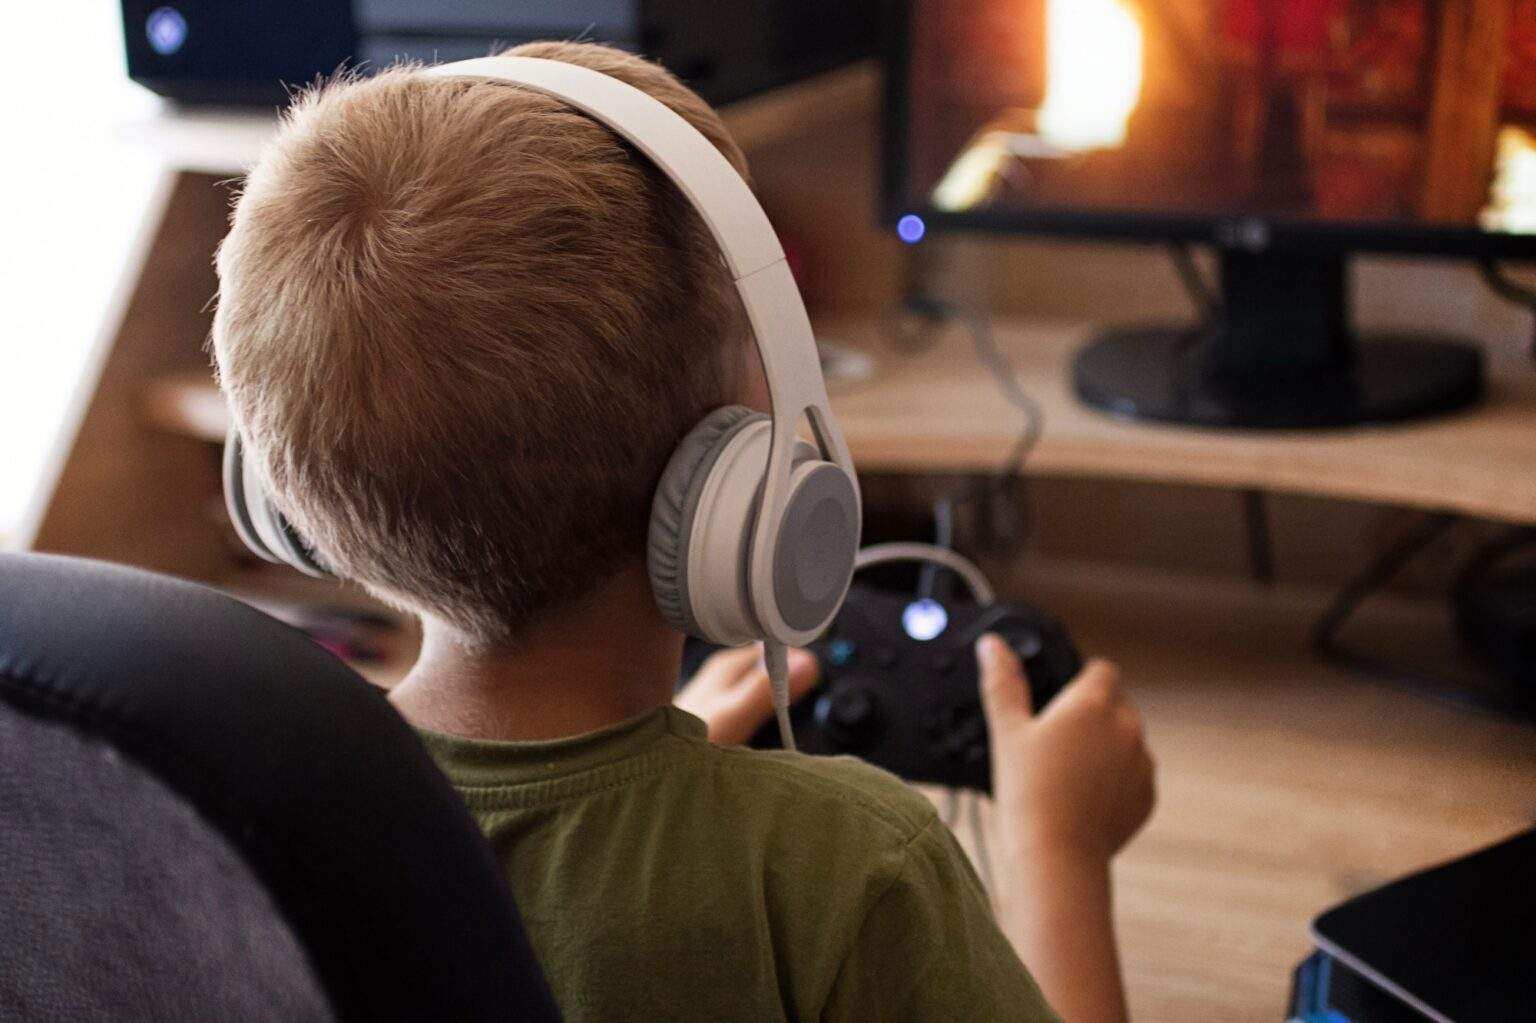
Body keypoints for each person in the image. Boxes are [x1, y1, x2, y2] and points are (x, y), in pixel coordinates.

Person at [211, 39, 1155, 1021]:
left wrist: (653, 773)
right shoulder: (841, 867)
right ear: (732, 482)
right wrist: (1061, 851)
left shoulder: (254, 825)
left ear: (282, 486)